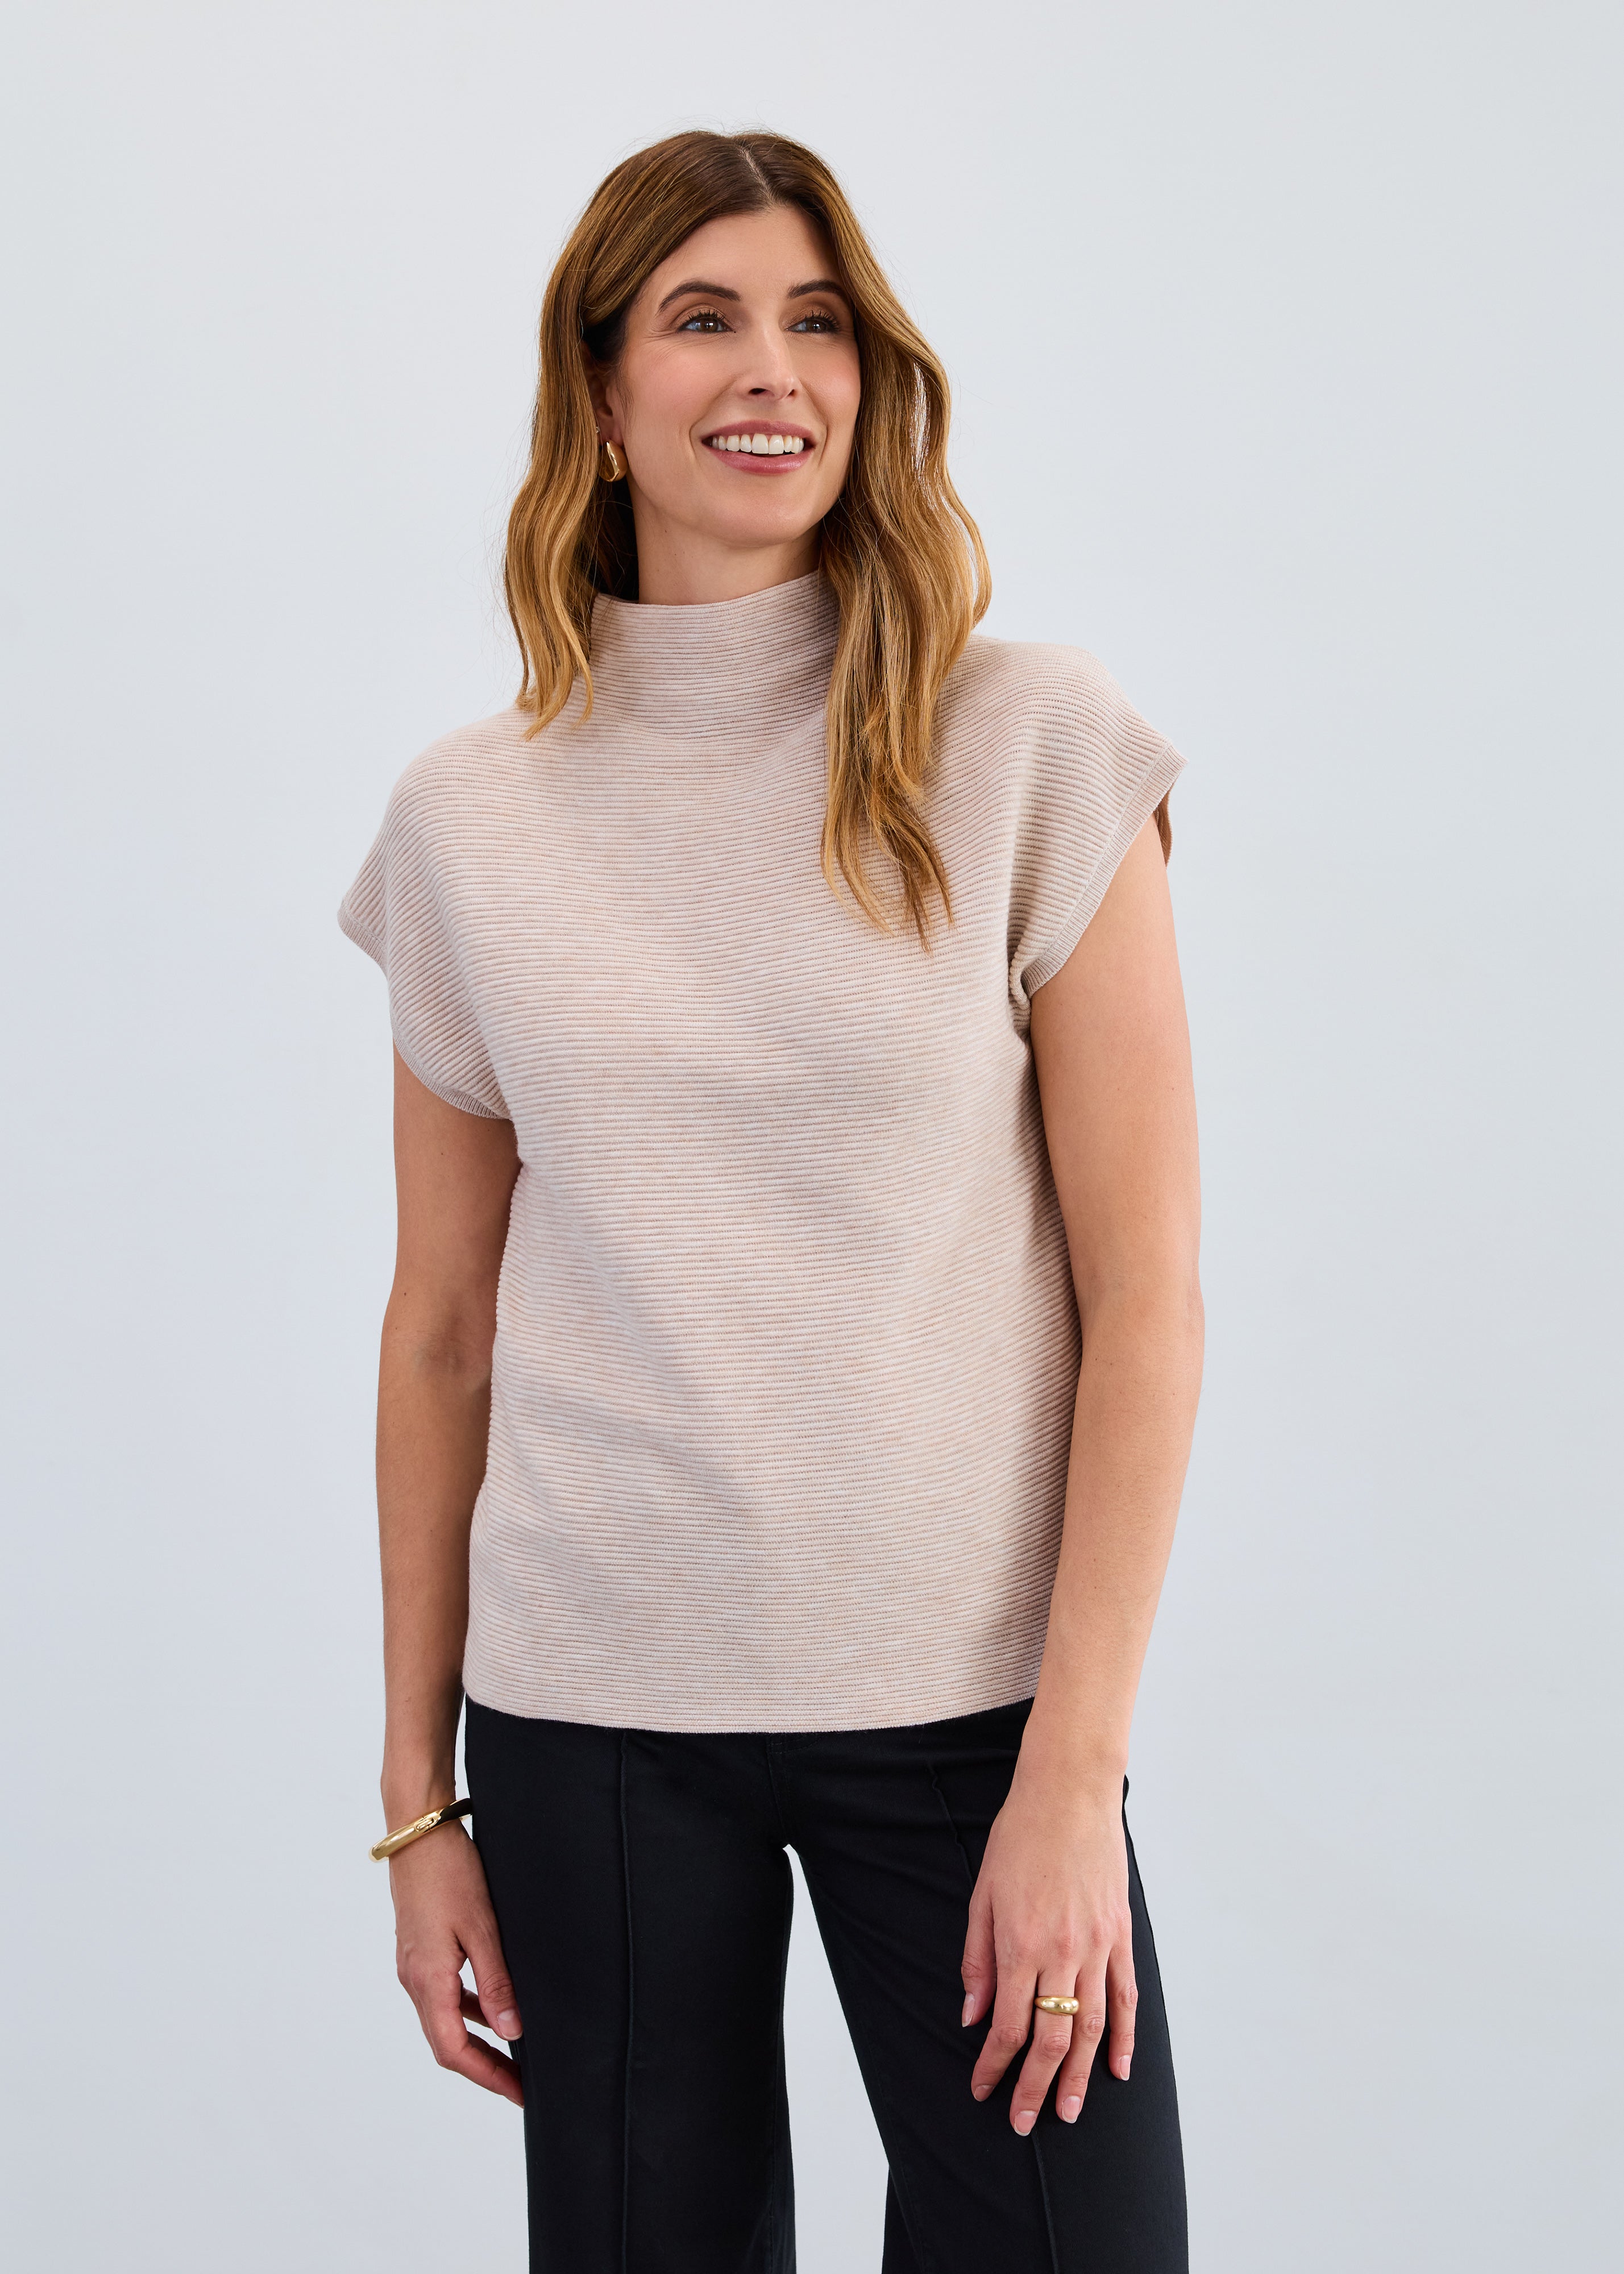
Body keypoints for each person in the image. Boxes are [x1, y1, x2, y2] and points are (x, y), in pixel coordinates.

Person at [340, 126, 1202, 2274]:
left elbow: (1149, 1298)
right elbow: (440, 1331)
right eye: (703, 318)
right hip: (595, 1723)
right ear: (601, 391)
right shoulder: (469, 820)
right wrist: (419, 1801)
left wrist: (1073, 1778)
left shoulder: (1027, 745)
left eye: (818, 321)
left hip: (972, 1720)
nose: (772, 370)